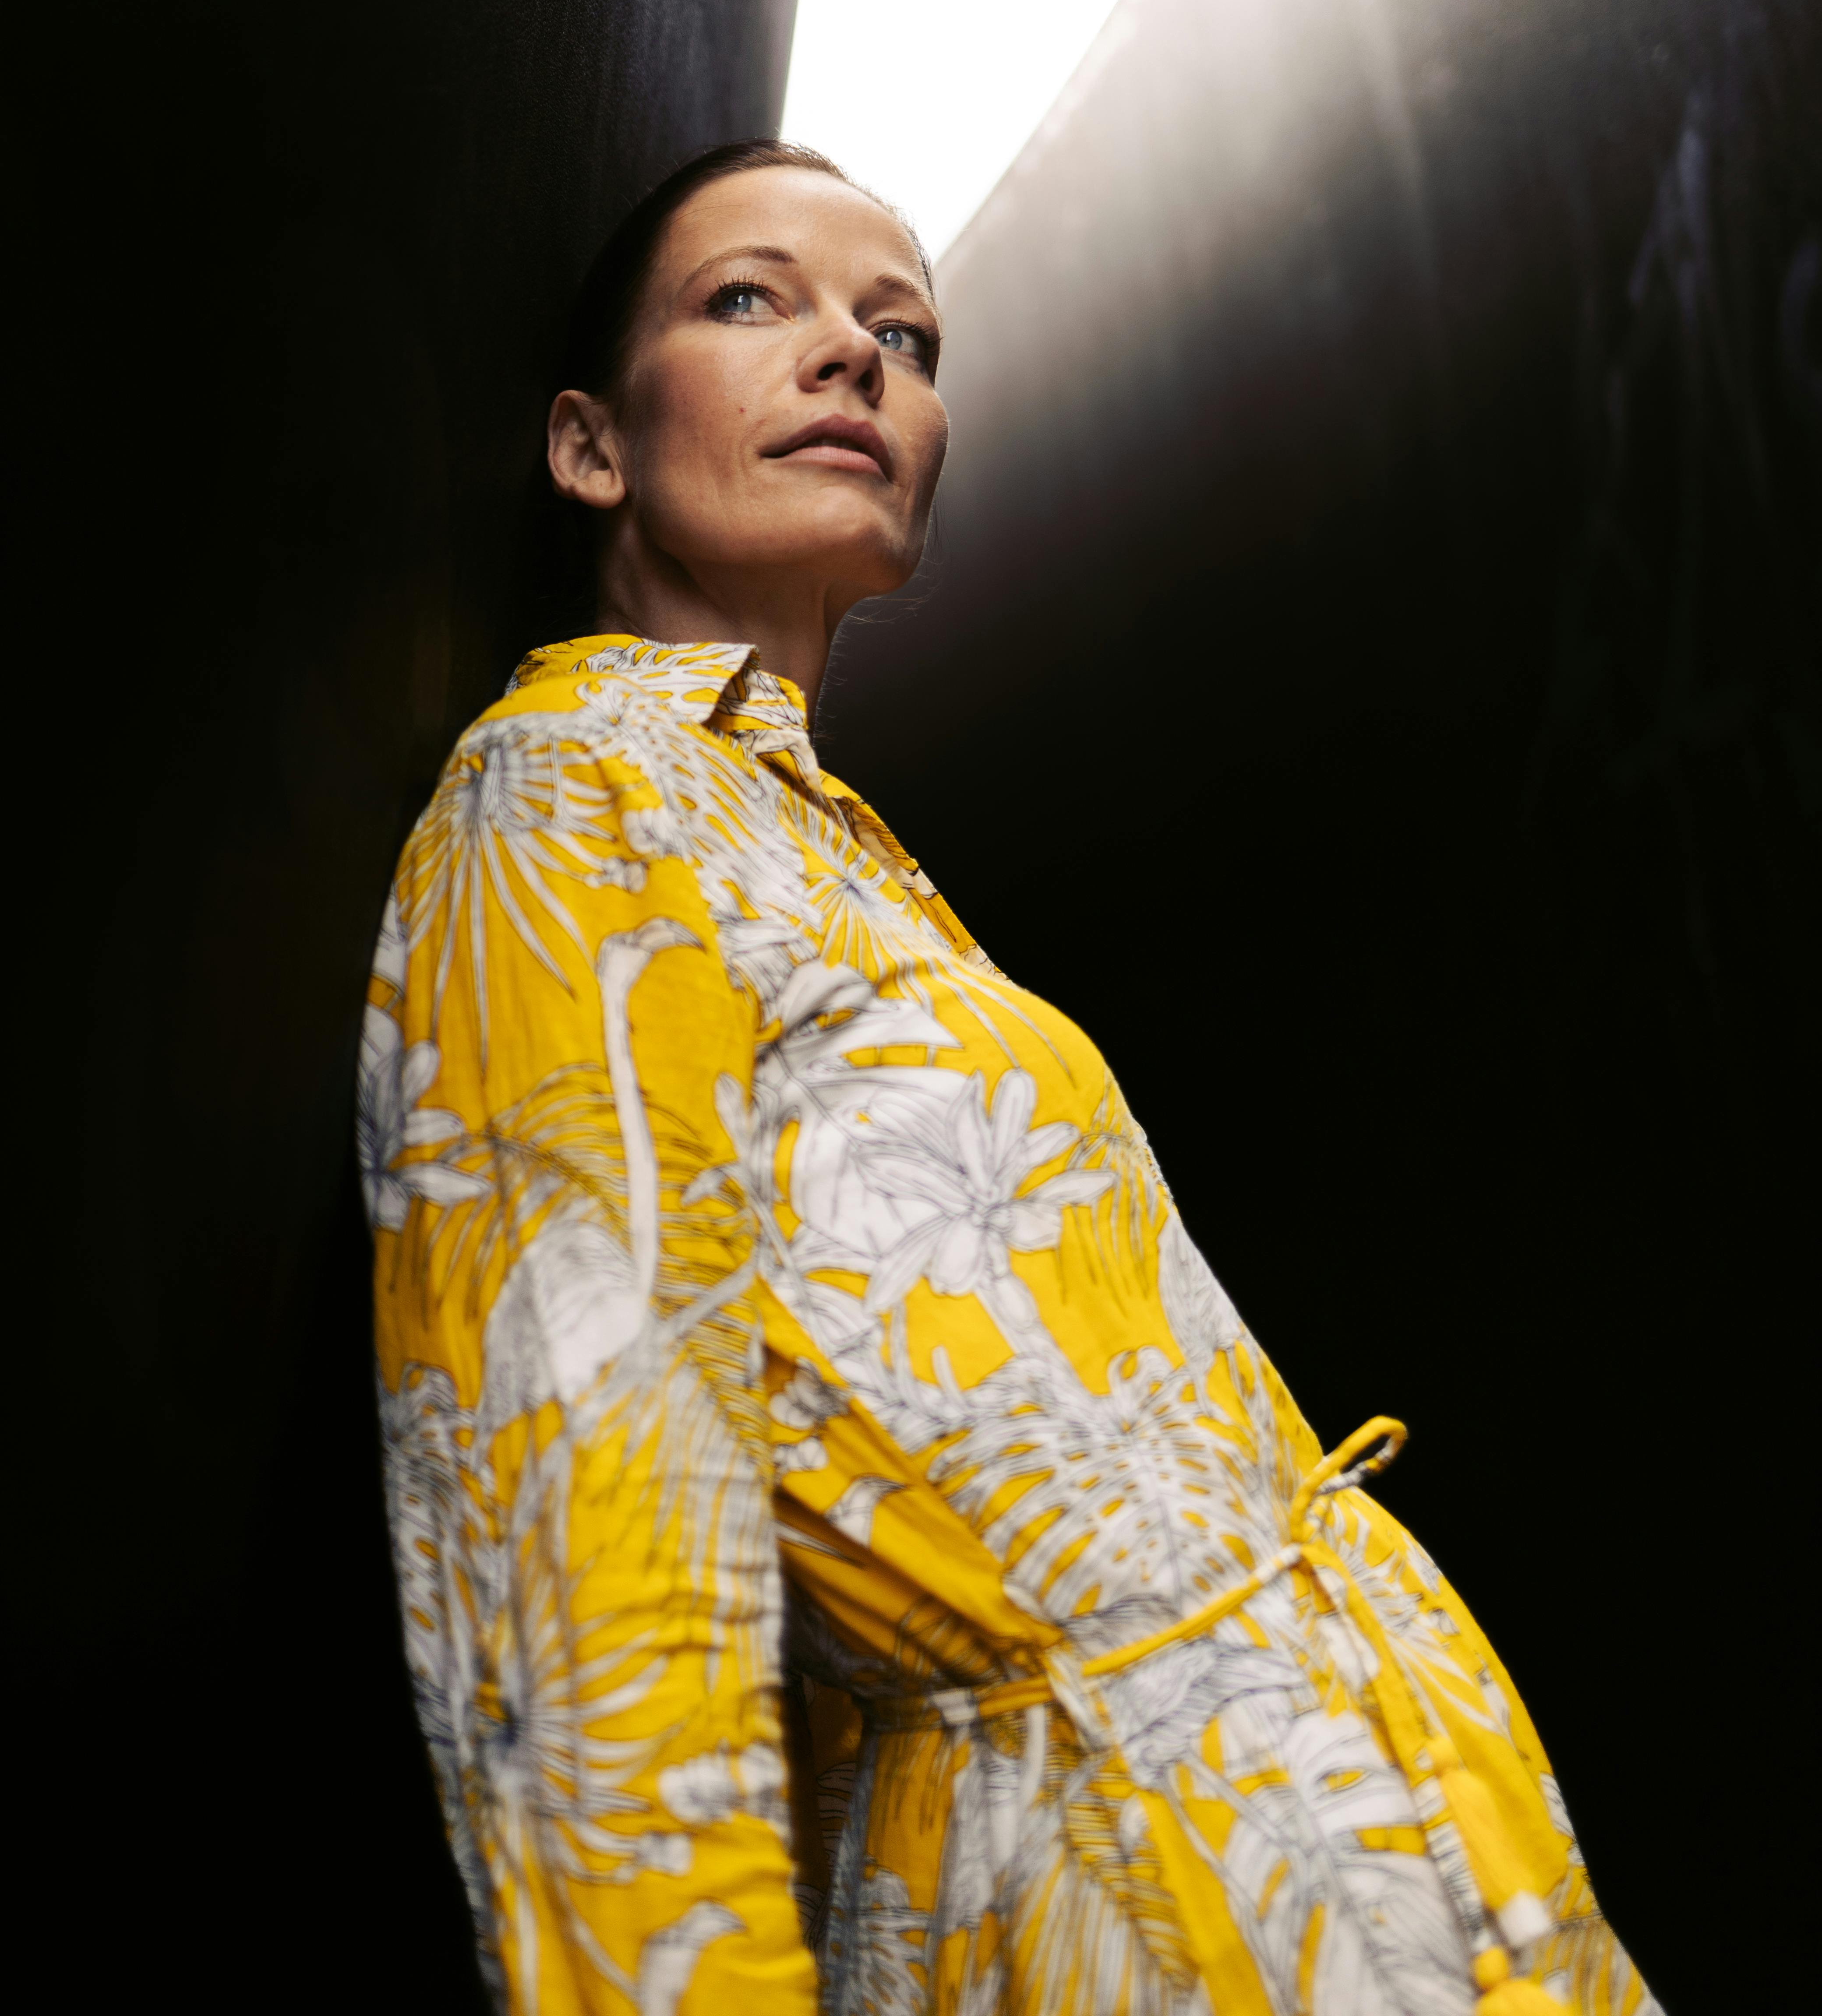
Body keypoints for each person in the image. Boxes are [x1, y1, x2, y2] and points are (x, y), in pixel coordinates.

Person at [363, 141, 1653, 2016]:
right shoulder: (567, 803)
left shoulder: (835, 849)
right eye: (753, 299)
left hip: (1402, 1853)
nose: (852, 358)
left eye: (904, 331)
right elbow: (583, 1558)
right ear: (589, 446)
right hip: (1103, 1907)